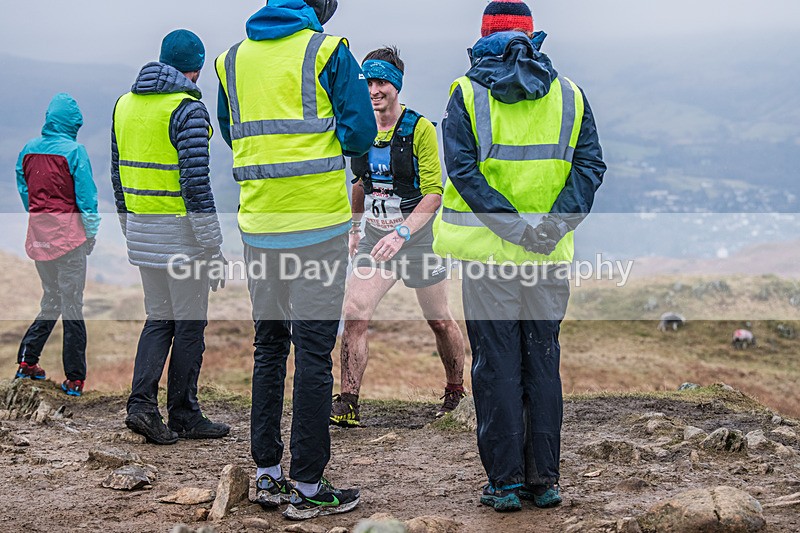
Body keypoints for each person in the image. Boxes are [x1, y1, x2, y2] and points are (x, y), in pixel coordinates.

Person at [433, 0, 607, 512]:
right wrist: (550, 228)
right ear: (533, 36)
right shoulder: (571, 95)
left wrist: (514, 229)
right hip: (549, 257)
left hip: (489, 258)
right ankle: (544, 482)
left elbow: (464, 173)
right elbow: (590, 166)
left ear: (483, 35)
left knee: (496, 367)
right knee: (543, 363)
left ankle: (505, 484)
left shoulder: (465, 94)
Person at [215, 0, 375, 521]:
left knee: (267, 346)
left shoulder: (231, 60)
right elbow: (359, 134)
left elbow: (231, 130)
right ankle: (307, 484)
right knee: (311, 352)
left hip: (259, 227)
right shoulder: (329, 51)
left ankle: (265, 475)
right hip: (319, 228)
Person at [330, 46, 466, 428]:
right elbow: (359, 182)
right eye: (369, 82)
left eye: (382, 82)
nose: (374, 90)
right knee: (354, 313)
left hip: (419, 237)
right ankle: (349, 402)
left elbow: (434, 193)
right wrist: (355, 228)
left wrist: (404, 232)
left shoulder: (419, 128)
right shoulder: (360, 126)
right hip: (375, 235)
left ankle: (455, 392)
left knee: (439, 319)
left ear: (397, 86)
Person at [111, 29, 229, 445]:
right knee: (191, 323)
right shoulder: (188, 110)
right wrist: (212, 245)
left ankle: (141, 406)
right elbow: (196, 185)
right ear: (195, 68)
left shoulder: (124, 105)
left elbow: (117, 176)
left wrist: (131, 230)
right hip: (182, 239)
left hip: (143, 233)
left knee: (158, 319)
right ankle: (184, 414)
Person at [14, 93, 100, 397]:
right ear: (73, 124)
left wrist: (38, 216)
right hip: (69, 241)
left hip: (40, 236)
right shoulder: (75, 151)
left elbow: (24, 188)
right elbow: (87, 199)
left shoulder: (28, 149)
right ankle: (75, 378)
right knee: (72, 306)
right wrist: (90, 233)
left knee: (51, 300)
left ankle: (27, 362)